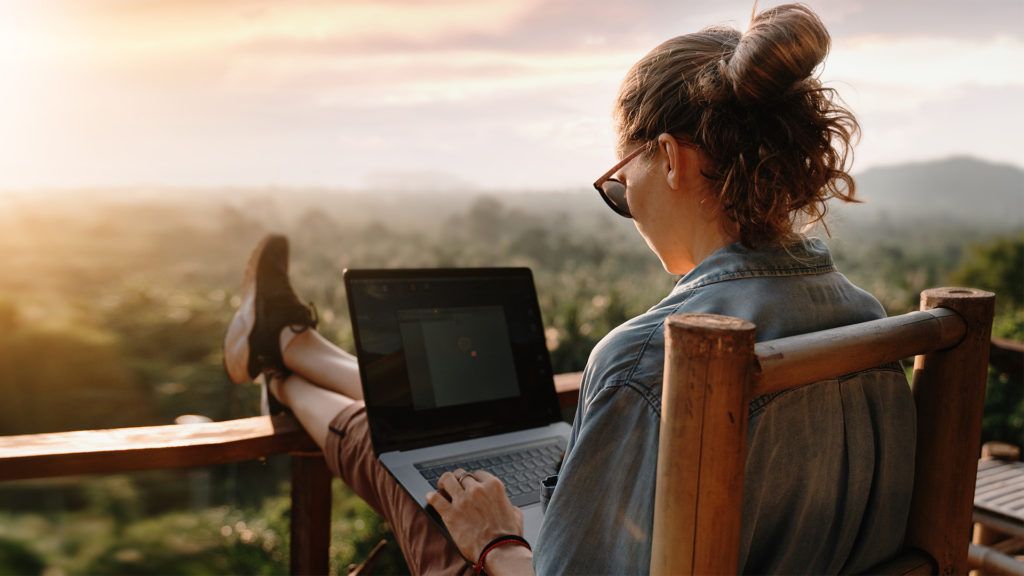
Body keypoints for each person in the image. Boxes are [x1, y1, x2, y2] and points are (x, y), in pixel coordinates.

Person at [222, 4, 915, 574]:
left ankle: (281, 367)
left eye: (621, 180)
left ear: (669, 158)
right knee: (430, 442)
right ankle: (291, 349)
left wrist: (496, 540)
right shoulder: (868, 322)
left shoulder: (653, 358)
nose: (626, 201)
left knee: (412, 465)